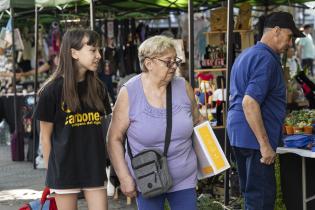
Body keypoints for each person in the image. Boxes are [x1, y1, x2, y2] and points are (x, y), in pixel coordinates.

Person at [107, 35, 203, 210]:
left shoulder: (183, 87)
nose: (174, 66)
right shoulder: (129, 92)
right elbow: (114, 138)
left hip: (184, 178)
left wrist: (210, 163)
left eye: (176, 60)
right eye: (168, 62)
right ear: (149, 64)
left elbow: (198, 123)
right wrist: (124, 177)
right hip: (148, 177)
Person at [227, 12, 305, 210]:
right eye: (290, 37)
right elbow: (249, 102)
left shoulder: (247, 54)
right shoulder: (266, 59)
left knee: (251, 196)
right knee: (261, 200)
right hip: (254, 140)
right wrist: (264, 144)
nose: (290, 43)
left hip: (240, 135)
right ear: (276, 31)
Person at [34, 29, 111, 210]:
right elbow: (45, 137)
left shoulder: (99, 88)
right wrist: (51, 176)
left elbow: (106, 130)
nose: (99, 56)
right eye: (92, 50)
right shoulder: (51, 91)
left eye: (99, 50)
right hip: (64, 170)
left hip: (94, 166)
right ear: (74, 53)